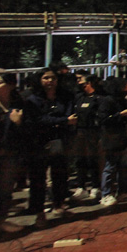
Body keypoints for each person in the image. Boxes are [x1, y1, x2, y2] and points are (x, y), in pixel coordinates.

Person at [24, 68, 77, 226]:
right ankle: (39, 211)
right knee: (38, 177)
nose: (49, 81)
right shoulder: (33, 99)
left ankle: (59, 205)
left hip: (59, 140)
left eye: (52, 78)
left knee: (60, 174)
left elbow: (71, 116)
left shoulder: (64, 98)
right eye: (46, 78)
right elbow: (38, 120)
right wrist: (62, 121)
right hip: (39, 141)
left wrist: (60, 121)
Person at [0, 72, 24, 237]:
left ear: (10, 85)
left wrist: (18, 122)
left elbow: (28, 131)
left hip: (9, 155)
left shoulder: (19, 105)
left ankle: (0, 222)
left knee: (5, 189)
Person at [98, 77, 127, 206]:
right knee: (110, 165)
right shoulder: (107, 101)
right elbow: (103, 119)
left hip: (123, 135)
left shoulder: (123, 100)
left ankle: (122, 192)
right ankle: (106, 194)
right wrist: (121, 115)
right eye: (125, 85)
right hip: (112, 137)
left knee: (124, 165)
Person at [71, 74, 102, 200]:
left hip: (93, 132)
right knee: (80, 159)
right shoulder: (79, 97)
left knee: (92, 159)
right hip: (80, 132)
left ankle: (95, 186)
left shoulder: (99, 98)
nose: (81, 83)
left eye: (83, 81)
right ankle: (81, 186)